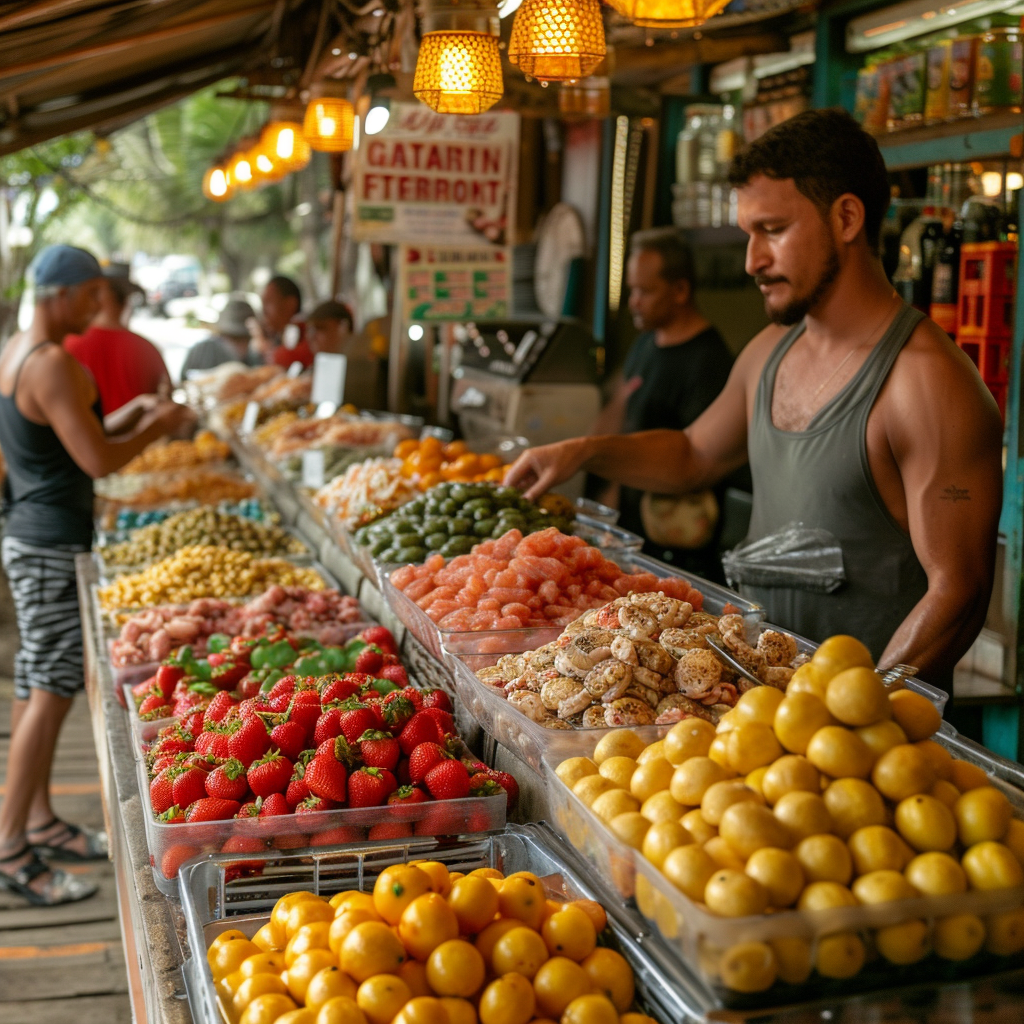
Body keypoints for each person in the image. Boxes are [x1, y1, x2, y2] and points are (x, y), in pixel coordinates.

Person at [506, 109, 1002, 688]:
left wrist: (860, 710)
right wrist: (582, 452)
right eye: (748, 234)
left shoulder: (927, 380)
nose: (752, 261)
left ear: (846, 217)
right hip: (756, 708)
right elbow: (693, 455)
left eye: (772, 230)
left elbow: (959, 593)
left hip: (864, 745)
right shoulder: (770, 350)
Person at [0, 245, 193, 905]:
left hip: (32, 535)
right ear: (61, 293)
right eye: (88, 297)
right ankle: (10, 850)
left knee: (35, 678)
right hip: (51, 543)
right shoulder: (53, 362)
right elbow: (97, 461)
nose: (94, 311)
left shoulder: (18, 351)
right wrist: (161, 425)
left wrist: (136, 413)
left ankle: (39, 820)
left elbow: (69, 439)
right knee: (52, 686)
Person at [591, 228, 735, 579]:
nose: (633, 302)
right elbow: (625, 420)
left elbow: (696, 460)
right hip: (633, 540)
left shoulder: (709, 362)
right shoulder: (645, 344)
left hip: (679, 556)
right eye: (631, 290)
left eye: (645, 291)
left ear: (681, 291)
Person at [64, 263, 171, 416]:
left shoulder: (67, 346)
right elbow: (167, 407)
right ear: (125, 301)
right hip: (143, 438)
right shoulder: (148, 350)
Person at [180, 297, 258, 377]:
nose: (240, 346)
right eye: (234, 338)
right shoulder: (201, 351)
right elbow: (183, 380)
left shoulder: (257, 355)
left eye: (244, 339)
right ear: (221, 334)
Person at [252, 275, 313, 369]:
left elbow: (283, 359)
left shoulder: (305, 332)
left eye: (269, 303)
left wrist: (263, 345)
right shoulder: (282, 335)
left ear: (290, 304)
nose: (264, 312)